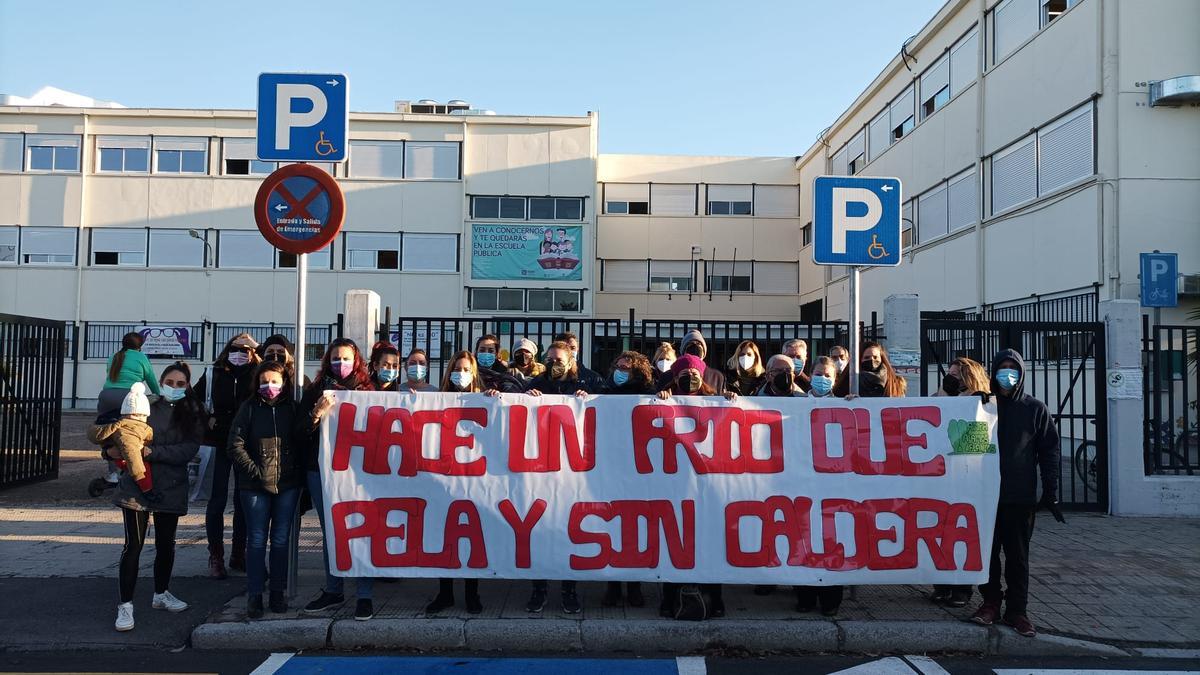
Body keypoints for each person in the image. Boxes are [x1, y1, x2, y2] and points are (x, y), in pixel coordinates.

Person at [970, 349, 1061, 638]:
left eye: (1013, 369)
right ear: (994, 371)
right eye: (1002, 368)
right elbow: (966, 449)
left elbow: (1050, 451)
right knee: (988, 555)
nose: (1007, 374)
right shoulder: (982, 406)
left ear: (1021, 373)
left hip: (1019, 497)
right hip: (985, 496)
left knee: (1018, 557)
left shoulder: (1035, 409)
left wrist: (1050, 488)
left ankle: (1018, 610)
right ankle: (990, 602)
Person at [110, 362, 206, 632]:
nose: (174, 388)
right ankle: (125, 606)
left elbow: (188, 449)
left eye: (180, 384)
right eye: (170, 382)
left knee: (166, 544)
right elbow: (120, 437)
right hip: (136, 486)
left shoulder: (193, 413)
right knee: (133, 546)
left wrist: (153, 452)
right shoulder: (143, 407)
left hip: (171, 486)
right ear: (161, 382)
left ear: (188, 387)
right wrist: (113, 453)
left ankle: (161, 593)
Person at [298, 338, 378, 621]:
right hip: (321, 472)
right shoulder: (315, 391)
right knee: (332, 532)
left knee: (362, 531)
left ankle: (364, 595)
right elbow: (300, 431)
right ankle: (334, 590)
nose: (340, 364)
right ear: (327, 362)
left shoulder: (369, 392)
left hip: (360, 474)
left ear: (356, 361)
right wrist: (317, 414)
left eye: (345, 359)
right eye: (335, 359)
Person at [656, 354, 736, 619]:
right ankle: (670, 598)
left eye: (695, 374)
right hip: (674, 485)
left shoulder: (716, 400)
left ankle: (716, 598)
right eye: (683, 374)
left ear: (703, 376)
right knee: (673, 544)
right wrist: (660, 399)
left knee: (709, 543)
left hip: (707, 486)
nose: (690, 378)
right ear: (675, 377)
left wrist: (732, 402)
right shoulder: (665, 397)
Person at [521, 341, 597, 614]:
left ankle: (569, 591)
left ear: (571, 361)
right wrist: (526, 397)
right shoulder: (538, 382)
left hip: (575, 475)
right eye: (551, 358)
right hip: (542, 471)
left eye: (560, 359)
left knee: (570, 534)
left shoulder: (588, 383)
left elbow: (610, 406)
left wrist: (587, 397)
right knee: (541, 532)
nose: (555, 363)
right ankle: (538, 590)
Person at [226, 360, 303, 619]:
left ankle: (278, 593)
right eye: (264, 381)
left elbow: (303, 437)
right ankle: (255, 595)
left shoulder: (292, 408)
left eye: (274, 381)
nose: (269, 386)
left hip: (287, 484)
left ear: (284, 384)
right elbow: (235, 446)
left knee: (281, 540)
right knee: (256, 540)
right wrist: (255, 472)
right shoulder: (248, 409)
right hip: (254, 486)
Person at [424, 350, 487, 615]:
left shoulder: (485, 399)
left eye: (466, 369)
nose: (461, 374)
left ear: (474, 374)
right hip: (442, 478)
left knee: (473, 537)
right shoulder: (436, 400)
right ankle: (446, 593)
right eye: (457, 369)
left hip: (474, 480)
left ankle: (472, 594)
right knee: (444, 535)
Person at [195, 333, 259, 579]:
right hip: (218, 441)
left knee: (243, 499)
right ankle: (216, 555)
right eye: (236, 349)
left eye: (246, 350)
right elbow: (195, 400)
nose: (241, 354)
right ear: (227, 349)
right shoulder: (214, 373)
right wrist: (206, 420)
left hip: (245, 442)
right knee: (217, 500)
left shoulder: (256, 373)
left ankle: (239, 552)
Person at [929, 357, 991, 609]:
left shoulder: (982, 404)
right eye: (950, 374)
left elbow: (975, 449)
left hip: (966, 479)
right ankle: (941, 584)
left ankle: (961, 588)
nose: (951, 377)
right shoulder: (941, 396)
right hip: (940, 478)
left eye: (957, 375)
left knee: (961, 533)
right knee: (940, 531)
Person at [598, 350, 656, 609]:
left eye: (627, 368)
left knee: (634, 531)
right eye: (618, 366)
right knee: (612, 528)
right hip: (611, 468)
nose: (621, 371)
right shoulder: (605, 390)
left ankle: (634, 587)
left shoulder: (649, 393)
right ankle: (613, 587)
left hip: (638, 471)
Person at [790, 356, 847, 615]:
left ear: (834, 380)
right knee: (803, 539)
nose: (822, 378)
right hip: (800, 483)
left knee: (833, 540)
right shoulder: (794, 403)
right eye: (818, 373)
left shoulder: (844, 405)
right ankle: (805, 597)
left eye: (828, 375)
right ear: (810, 374)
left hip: (832, 485)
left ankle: (831, 599)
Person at [89, 383, 157, 500]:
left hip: (124, 458)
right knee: (143, 469)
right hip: (131, 464)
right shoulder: (130, 431)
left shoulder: (122, 425)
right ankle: (147, 490)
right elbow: (132, 453)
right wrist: (144, 483)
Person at [99, 332, 161, 415]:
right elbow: (151, 379)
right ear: (140, 346)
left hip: (106, 396)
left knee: (105, 424)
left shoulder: (114, 356)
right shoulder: (141, 357)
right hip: (129, 398)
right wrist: (157, 395)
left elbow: (109, 373)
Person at [837, 341, 907, 398]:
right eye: (867, 357)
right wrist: (847, 400)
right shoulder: (849, 382)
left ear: (882, 358)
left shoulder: (895, 383)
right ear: (859, 360)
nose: (872, 360)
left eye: (875, 357)